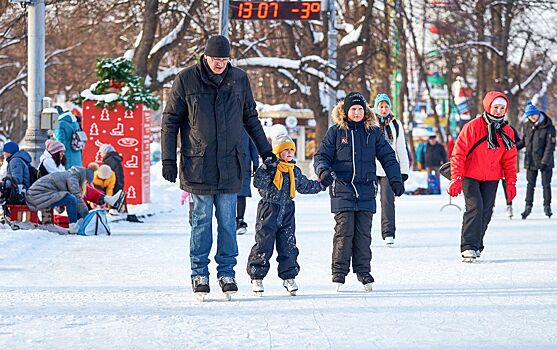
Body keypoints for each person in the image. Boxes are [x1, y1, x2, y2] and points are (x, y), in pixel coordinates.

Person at [161, 34, 274, 299]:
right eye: (215, 59)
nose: (220, 63)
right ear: (205, 56)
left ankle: (227, 272)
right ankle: (199, 272)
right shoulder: (186, 79)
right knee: (201, 222)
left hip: (231, 164)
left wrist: (266, 151)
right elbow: (170, 121)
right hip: (198, 164)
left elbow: (251, 118)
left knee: (227, 222)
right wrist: (167, 158)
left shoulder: (239, 79)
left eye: (224, 59)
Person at [314, 92, 404, 291]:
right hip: (342, 188)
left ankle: (363, 272)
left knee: (363, 234)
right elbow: (321, 156)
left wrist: (396, 178)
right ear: (346, 111)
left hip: (365, 189)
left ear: (366, 111)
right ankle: (339, 273)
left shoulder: (373, 133)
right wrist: (323, 171)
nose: (357, 112)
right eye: (353, 109)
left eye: (360, 109)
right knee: (344, 232)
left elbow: (388, 156)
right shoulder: (336, 132)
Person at [247, 131, 324, 296]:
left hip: (287, 210)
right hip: (268, 210)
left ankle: (289, 276)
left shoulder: (293, 170)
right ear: (277, 152)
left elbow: (304, 186)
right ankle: (257, 276)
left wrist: (322, 184)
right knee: (264, 244)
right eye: (285, 150)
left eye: (291, 150)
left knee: (288, 245)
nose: (289, 153)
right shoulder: (270, 167)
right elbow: (257, 182)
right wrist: (268, 166)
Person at [447, 91, 517, 262]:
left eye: (502, 108)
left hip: (492, 177)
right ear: (488, 106)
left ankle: (477, 244)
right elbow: (459, 153)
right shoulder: (473, 127)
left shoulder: (507, 131)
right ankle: (468, 246)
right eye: (496, 107)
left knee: (486, 211)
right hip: (469, 175)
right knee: (475, 207)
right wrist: (456, 178)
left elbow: (509, 160)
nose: (499, 111)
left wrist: (510, 184)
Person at [37, 140, 124, 211]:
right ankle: (105, 201)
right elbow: (59, 176)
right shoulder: (48, 161)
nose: (63, 154)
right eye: (61, 152)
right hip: (51, 189)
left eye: (63, 152)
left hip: (58, 187)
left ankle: (102, 203)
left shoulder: (56, 161)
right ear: (54, 152)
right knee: (82, 191)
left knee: (83, 190)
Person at [373, 93, 410, 246]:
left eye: (386, 106)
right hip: (371, 167)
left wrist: (403, 171)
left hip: (389, 168)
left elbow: (401, 147)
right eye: (381, 106)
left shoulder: (396, 124)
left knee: (388, 201)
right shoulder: (370, 123)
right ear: (376, 107)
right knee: (366, 200)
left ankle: (388, 232)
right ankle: (363, 232)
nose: (383, 110)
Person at [25, 167, 94, 233]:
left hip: (37, 194)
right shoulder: (73, 178)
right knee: (71, 199)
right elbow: (77, 198)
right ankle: (74, 227)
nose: (86, 185)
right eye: (87, 182)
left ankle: (80, 224)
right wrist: (87, 216)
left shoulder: (72, 174)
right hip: (36, 196)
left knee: (72, 199)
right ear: (85, 178)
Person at [519, 101, 555, 219]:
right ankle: (527, 207)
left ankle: (547, 206)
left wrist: (544, 162)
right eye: (529, 116)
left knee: (546, 184)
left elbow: (550, 146)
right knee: (530, 185)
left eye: (533, 115)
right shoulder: (527, 125)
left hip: (545, 161)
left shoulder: (549, 127)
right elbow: (524, 142)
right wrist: (513, 148)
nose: (531, 117)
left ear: (537, 113)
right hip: (531, 160)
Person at [236, 130, 259, 235]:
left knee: (241, 194)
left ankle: (239, 220)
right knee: (232, 194)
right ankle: (232, 221)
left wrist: (255, 164)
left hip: (244, 165)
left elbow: (253, 146)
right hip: (233, 164)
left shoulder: (246, 127)